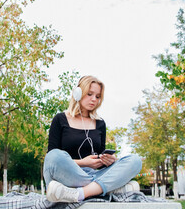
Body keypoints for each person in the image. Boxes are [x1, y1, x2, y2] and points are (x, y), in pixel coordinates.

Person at [43, 75, 142, 203]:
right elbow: (52, 160)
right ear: (78, 93)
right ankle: (107, 188)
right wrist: (83, 163)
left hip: (94, 174)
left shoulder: (100, 124)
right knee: (54, 156)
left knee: (135, 160)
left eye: (97, 96)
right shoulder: (60, 119)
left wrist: (108, 161)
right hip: (68, 175)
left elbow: (100, 161)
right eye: (89, 94)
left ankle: (80, 193)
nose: (94, 99)